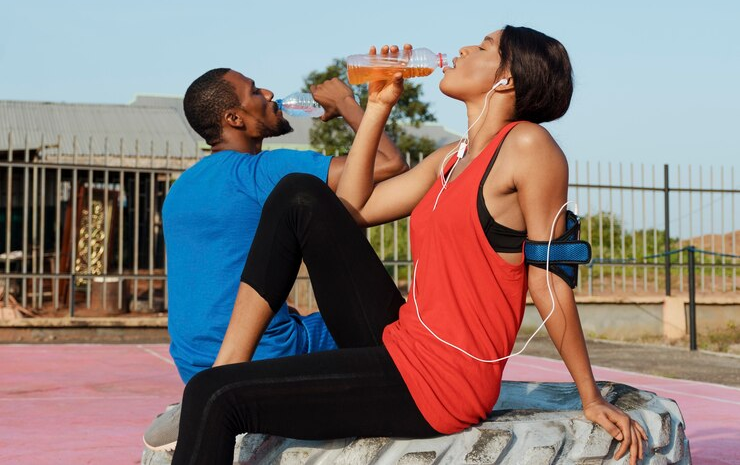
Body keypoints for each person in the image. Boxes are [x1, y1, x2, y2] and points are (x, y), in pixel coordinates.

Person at [171, 28, 647, 465]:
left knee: (214, 396)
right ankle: (229, 364)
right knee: (297, 194)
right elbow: (349, 209)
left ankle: (223, 375)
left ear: (506, 79)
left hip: (442, 380)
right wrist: (377, 106)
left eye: (482, 47)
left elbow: (548, 278)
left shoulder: (527, 145)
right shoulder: (450, 158)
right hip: (401, 342)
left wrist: (590, 396)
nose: (462, 50)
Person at [143, 68, 408, 451]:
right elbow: (389, 164)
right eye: (254, 91)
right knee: (403, 328)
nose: (268, 92)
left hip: (195, 366)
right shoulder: (265, 171)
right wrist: (349, 104)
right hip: (269, 355)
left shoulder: (183, 187)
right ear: (234, 119)